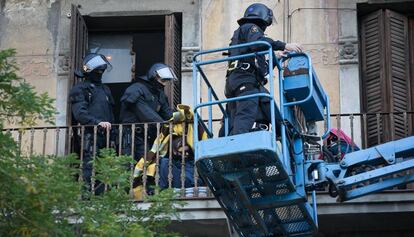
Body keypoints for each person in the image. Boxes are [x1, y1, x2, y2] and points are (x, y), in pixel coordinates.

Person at [225, 3, 303, 135]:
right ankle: (237, 144)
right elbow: (259, 43)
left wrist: (275, 58)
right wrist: (284, 45)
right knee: (246, 113)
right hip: (244, 80)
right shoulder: (250, 28)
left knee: (269, 105)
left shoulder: (247, 41)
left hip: (245, 81)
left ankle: (286, 135)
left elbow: (262, 70)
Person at [69, 53, 115, 194]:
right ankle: (87, 196)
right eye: (98, 71)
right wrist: (97, 123)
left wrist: (113, 134)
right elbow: (80, 114)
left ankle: (102, 195)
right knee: (90, 164)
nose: (100, 74)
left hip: (106, 136)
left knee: (106, 166)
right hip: (89, 134)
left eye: (102, 71)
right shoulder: (80, 89)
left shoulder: (105, 89)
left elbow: (111, 114)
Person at [119, 63, 176, 161]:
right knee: (128, 166)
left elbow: (167, 113)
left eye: (166, 81)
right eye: (163, 80)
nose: (165, 84)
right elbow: (146, 113)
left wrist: (182, 117)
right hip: (130, 136)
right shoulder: (136, 89)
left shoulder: (160, 95)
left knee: (147, 166)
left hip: (147, 136)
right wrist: (164, 125)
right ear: (153, 77)